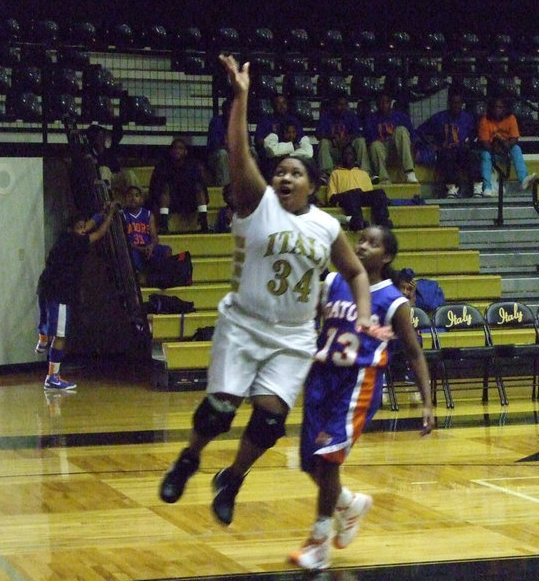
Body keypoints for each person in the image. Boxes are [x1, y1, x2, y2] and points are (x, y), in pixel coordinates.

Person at [159, 54, 379, 527]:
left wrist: (364, 314)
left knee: (270, 420)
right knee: (219, 411)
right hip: (244, 322)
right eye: (280, 171)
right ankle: (188, 459)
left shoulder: (325, 226)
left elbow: (357, 272)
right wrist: (240, 97)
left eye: (295, 173)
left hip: (294, 334)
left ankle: (232, 479)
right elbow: (238, 151)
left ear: (313, 186)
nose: (285, 177)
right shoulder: (257, 203)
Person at [289, 225, 434, 571]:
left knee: (328, 459)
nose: (363, 246)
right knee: (311, 462)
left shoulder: (393, 301)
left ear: (387, 256)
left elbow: (414, 353)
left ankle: (318, 545)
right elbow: (309, 323)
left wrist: (427, 402)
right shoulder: (332, 282)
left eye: (373, 243)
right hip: (321, 378)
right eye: (361, 240)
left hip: (358, 382)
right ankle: (349, 504)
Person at [35, 201, 121, 390]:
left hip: (45, 286)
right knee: (60, 336)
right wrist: (110, 216)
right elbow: (99, 233)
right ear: (72, 229)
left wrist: (100, 213)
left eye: (83, 227)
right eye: (79, 227)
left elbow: (88, 225)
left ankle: (42, 338)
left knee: (46, 321)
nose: (83, 230)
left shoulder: (64, 237)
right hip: (60, 291)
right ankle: (52, 377)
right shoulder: (76, 241)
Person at [417, 88, 479, 198]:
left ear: (462, 104)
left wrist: (470, 142)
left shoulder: (468, 118)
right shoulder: (439, 118)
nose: (456, 106)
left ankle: (477, 186)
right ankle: (452, 188)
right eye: (454, 103)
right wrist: (432, 144)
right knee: (446, 158)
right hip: (445, 151)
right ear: (449, 103)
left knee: (472, 157)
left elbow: (476, 132)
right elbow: (420, 131)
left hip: (461, 151)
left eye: (458, 103)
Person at [148, 138, 210, 233]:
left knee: (199, 187)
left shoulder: (193, 166)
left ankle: (204, 222)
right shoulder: (162, 166)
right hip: (171, 203)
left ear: (185, 152)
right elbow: (154, 189)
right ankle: (164, 224)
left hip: (189, 202)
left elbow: (202, 188)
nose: (177, 151)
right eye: (175, 148)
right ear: (170, 151)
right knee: (165, 188)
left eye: (180, 148)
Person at [477, 97, 537, 197]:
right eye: (495, 107)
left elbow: (514, 138)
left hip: (506, 150)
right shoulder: (485, 120)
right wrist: (494, 150)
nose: (497, 110)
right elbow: (484, 142)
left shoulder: (511, 118)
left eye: (500, 107)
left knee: (516, 148)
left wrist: (505, 146)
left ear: (505, 109)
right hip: (492, 151)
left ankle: (523, 179)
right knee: (485, 154)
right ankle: (487, 187)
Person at [326, 143, 392, 231]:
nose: (348, 156)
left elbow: (369, 193)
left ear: (355, 157)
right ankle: (358, 222)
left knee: (379, 193)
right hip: (346, 198)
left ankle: (383, 223)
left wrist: (358, 192)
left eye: (350, 154)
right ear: (342, 157)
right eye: (345, 154)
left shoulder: (363, 173)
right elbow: (331, 198)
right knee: (352, 195)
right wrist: (350, 192)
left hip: (361, 196)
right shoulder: (335, 173)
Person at [364, 90, 419, 185]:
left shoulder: (401, 116)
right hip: (382, 154)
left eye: (387, 102)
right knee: (375, 145)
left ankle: (409, 172)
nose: (384, 105)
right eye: (381, 102)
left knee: (401, 130)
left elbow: (412, 140)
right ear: (377, 104)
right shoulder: (371, 119)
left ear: (391, 103)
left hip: (398, 152)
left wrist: (412, 159)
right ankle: (384, 179)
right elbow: (370, 143)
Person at [316, 94, 371, 182]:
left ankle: (366, 172)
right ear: (334, 105)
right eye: (339, 104)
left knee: (360, 141)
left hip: (348, 150)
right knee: (323, 142)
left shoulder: (351, 116)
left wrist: (347, 140)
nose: (342, 107)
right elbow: (318, 134)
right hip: (333, 150)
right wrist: (332, 137)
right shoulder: (326, 116)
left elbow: (357, 133)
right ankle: (327, 174)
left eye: (344, 105)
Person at [254, 93, 309, 179]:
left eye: (284, 103)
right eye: (278, 103)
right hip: (272, 154)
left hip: (291, 152)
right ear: (273, 106)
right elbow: (258, 140)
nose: (282, 106)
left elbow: (301, 138)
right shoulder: (265, 121)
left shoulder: (293, 120)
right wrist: (273, 145)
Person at [121, 185, 171, 273]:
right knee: (130, 257)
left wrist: (151, 246)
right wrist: (140, 249)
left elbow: (154, 237)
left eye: (136, 195)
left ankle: (164, 276)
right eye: (130, 195)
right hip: (133, 248)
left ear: (141, 199)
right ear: (125, 199)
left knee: (167, 250)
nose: (133, 198)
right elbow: (123, 240)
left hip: (148, 247)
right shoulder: (122, 215)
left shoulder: (148, 214)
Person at [85, 123, 138, 198]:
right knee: (103, 169)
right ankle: (107, 200)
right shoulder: (89, 154)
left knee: (129, 174)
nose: (102, 139)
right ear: (94, 139)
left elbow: (118, 133)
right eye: (100, 136)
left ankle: (136, 199)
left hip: (114, 177)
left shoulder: (110, 149)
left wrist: (114, 118)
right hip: (100, 181)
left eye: (102, 136)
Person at [206, 99, 231, 187]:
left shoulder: (239, 122)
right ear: (224, 111)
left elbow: (247, 142)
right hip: (215, 155)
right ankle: (225, 188)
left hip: (234, 153)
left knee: (251, 152)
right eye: (229, 109)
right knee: (223, 154)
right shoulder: (216, 122)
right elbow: (215, 145)